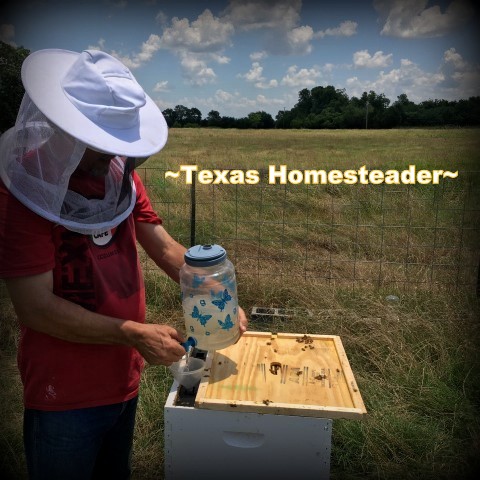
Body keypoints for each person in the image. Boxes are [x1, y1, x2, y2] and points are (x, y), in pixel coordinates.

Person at [0, 48, 248, 480]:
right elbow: (34, 307)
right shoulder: (20, 193)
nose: (115, 158)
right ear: (66, 128)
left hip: (123, 377)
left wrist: (215, 292)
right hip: (64, 394)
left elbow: (166, 249)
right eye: (103, 144)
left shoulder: (120, 176)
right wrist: (133, 332)